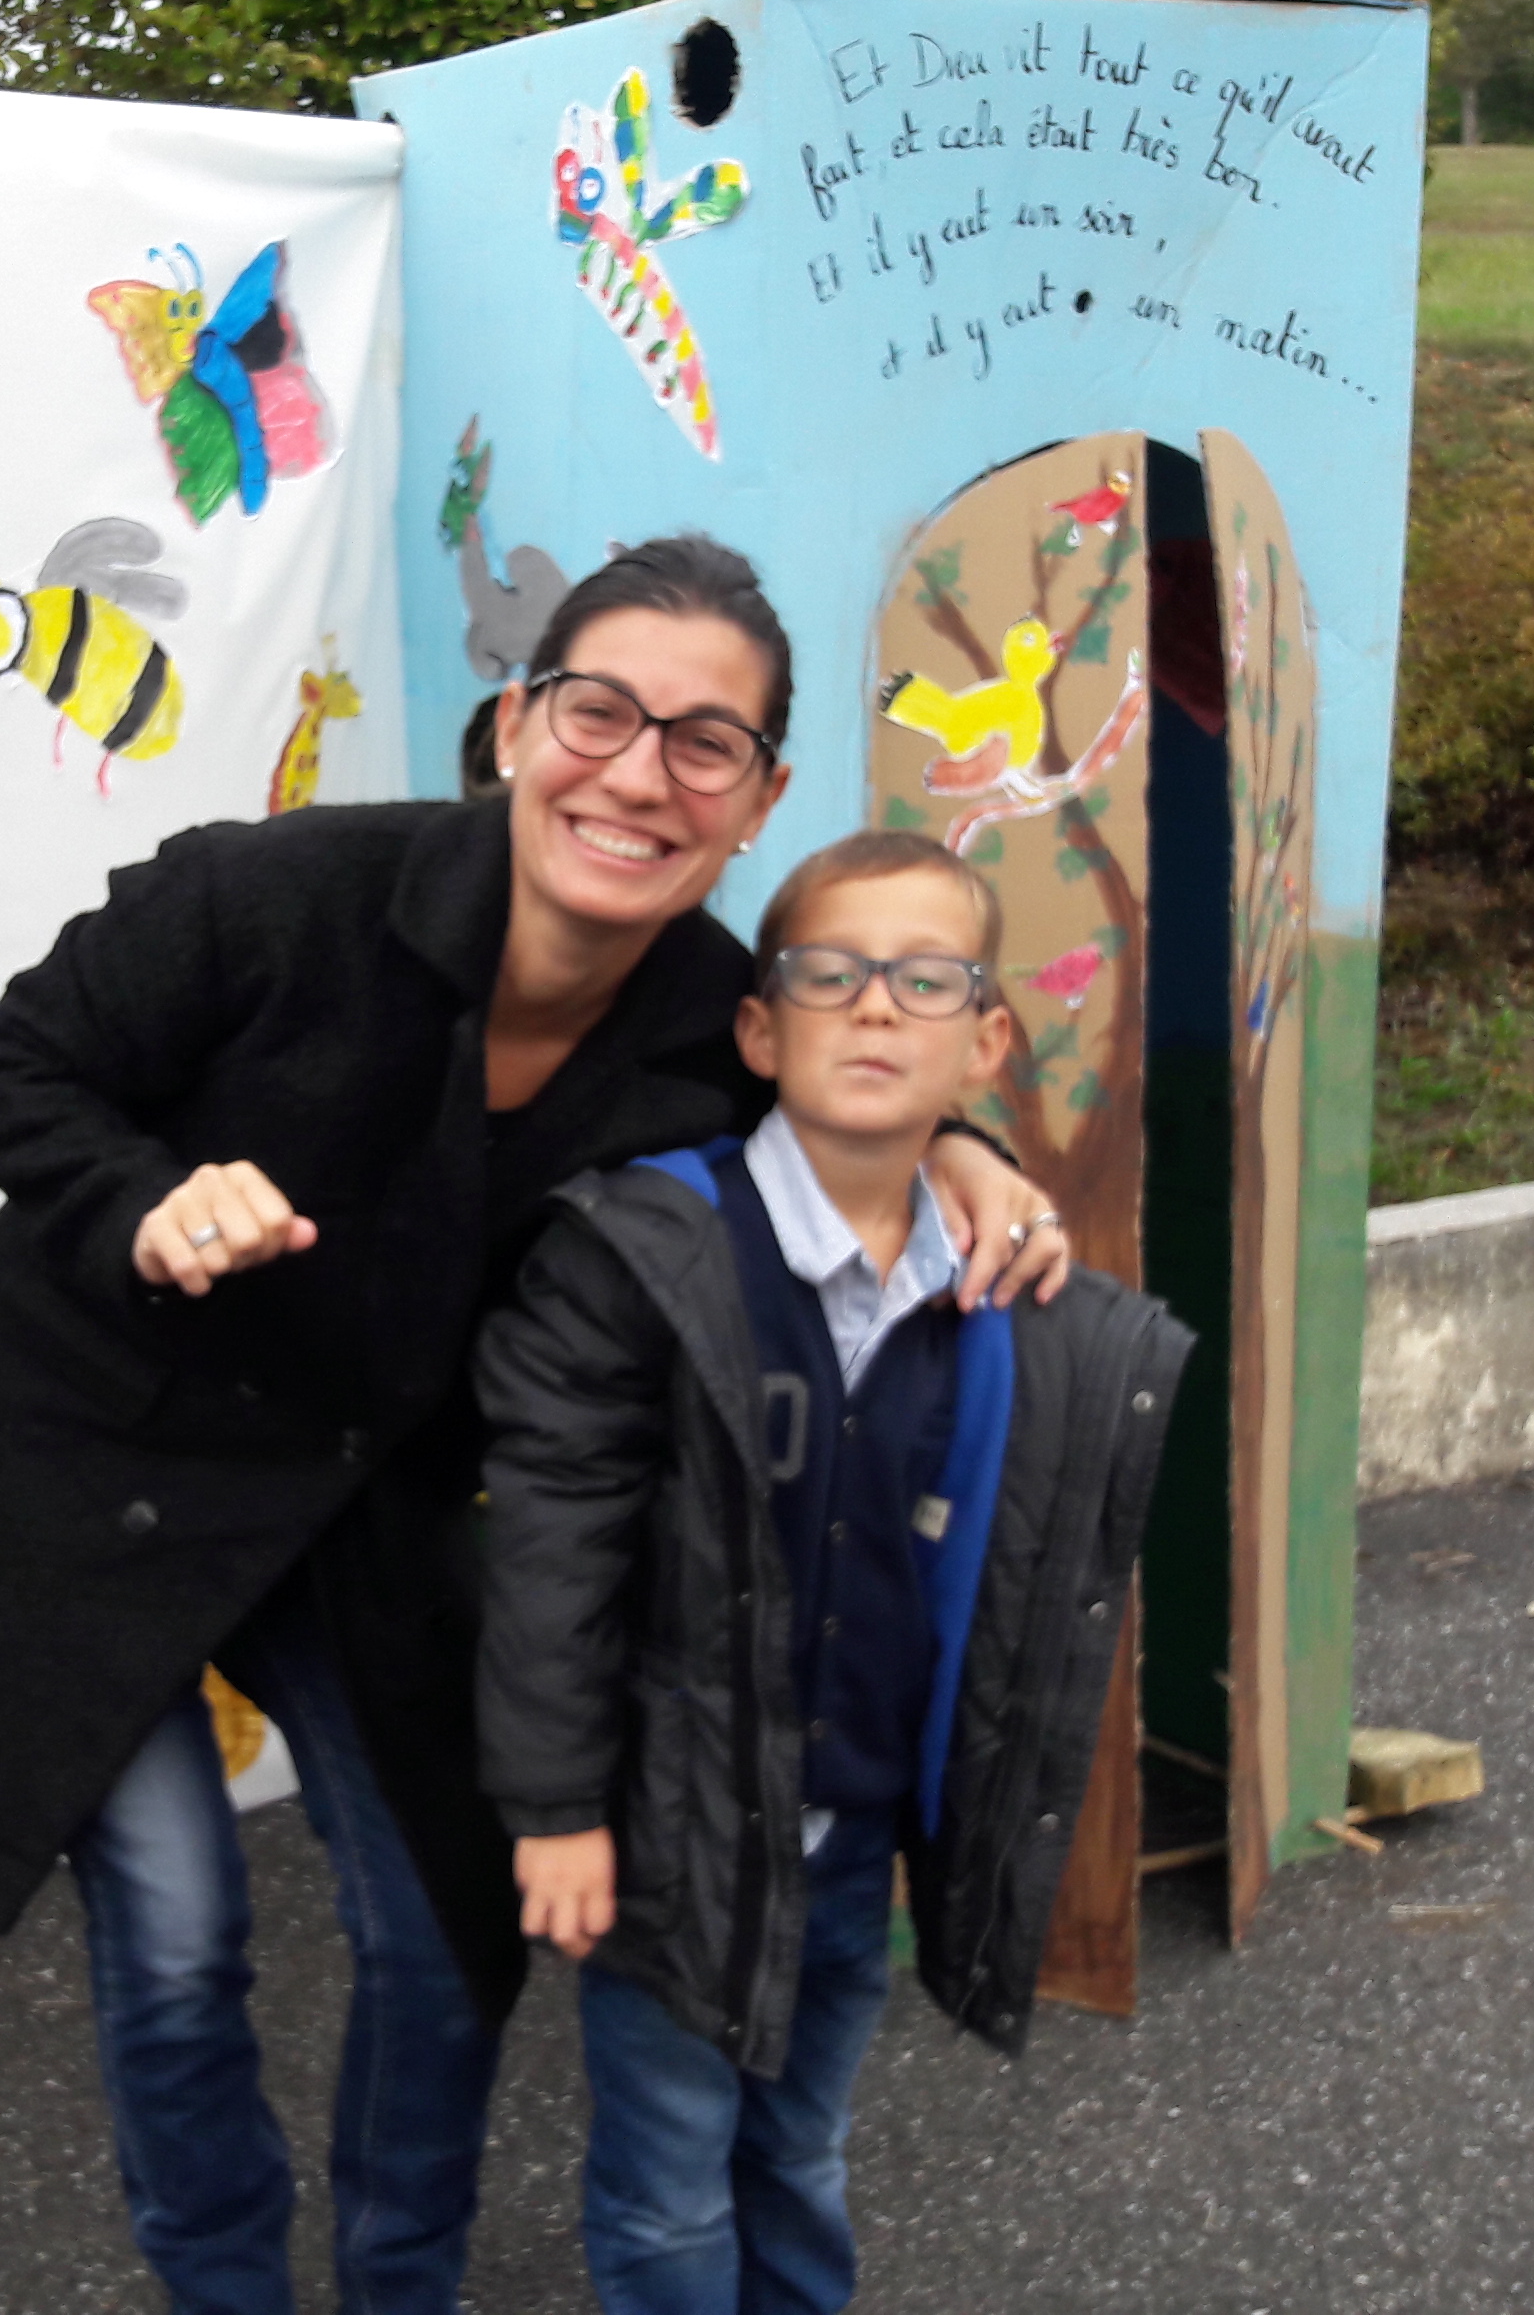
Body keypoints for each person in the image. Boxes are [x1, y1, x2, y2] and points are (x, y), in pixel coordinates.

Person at [0, 540, 1074, 2315]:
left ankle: (396, 2286)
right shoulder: (277, 891)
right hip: (87, 1465)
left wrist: (964, 1149)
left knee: (441, 1927)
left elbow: (841, 1084)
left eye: (704, 743)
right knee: (177, 1927)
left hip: (351, 1496)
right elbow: (15, 1060)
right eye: (600, 712)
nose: (639, 774)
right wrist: (147, 1199)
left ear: (759, 794)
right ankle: (228, 2293)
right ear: (515, 725)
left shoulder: (707, 1017)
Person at [473, 831, 1195, 2315]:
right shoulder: (641, 1253)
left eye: (926, 979)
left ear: (985, 1040)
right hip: (672, 1830)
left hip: (851, 1831)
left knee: (799, 2150)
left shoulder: (1013, 1306)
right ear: (759, 1029)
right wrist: (555, 1811)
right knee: (669, 2189)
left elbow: (1011, 1597)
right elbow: (551, 1550)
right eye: (829, 974)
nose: (875, 1006)